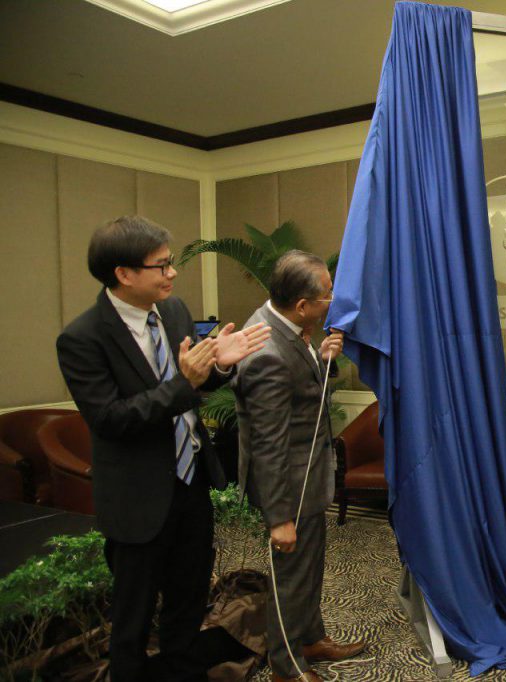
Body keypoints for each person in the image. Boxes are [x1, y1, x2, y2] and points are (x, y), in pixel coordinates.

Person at [55, 215, 271, 681]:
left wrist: (220, 367)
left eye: (171, 262)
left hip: (190, 486)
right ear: (124, 274)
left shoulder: (172, 312)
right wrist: (185, 382)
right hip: (136, 500)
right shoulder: (82, 338)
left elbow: (193, 386)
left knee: (187, 605)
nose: (173, 273)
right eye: (162, 265)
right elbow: (111, 420)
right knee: (131, 622)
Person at [234, 250, 365, 682]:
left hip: (307, 477)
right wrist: (279, 519)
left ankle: (310, 638)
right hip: (287, 487)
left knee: (309, 568)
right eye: (328, 294)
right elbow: (268, 443)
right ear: (303, 305)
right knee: (289, 577)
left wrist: (322, 360)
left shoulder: (286, 326)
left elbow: (300, 395)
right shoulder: (267, 351)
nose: (334, 299)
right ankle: (286, 666)